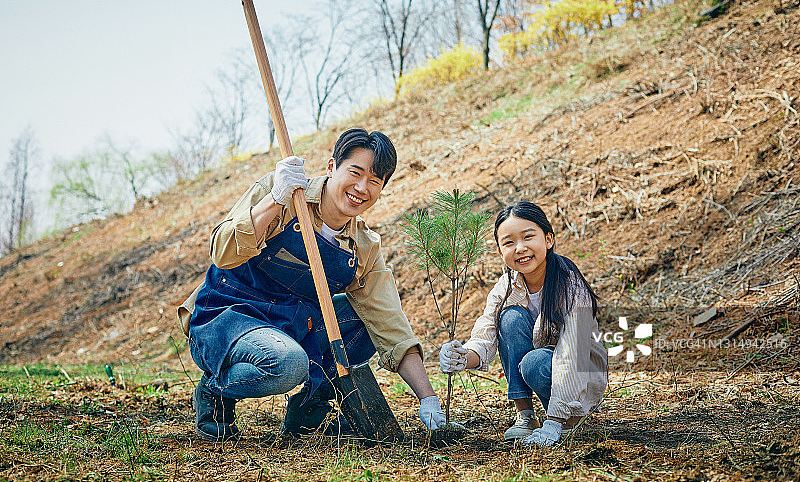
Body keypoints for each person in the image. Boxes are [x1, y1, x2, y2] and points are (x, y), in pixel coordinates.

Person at [178, 128, 447, 441]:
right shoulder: (284, 191)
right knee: (287, 364)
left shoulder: (362, 247)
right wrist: (275, 200)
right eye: (355, 173)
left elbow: (390, 324)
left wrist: (427, 398)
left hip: (292, 324)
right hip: (228, 317)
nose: (361, 188)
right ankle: (215, 391)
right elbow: (222, 252)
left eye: (374, 181)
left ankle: (309, 411)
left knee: (367, 322)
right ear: (332, 167)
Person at [439, 201, 608, 446]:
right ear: (499, 251)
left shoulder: (570, 286)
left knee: (534, 362)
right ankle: (526, 417)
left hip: (580, 376)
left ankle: (570, 420)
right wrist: (462, 357)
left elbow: (573, 355)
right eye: (508, 242)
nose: (520, 248)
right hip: (545, 368)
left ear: (548, 239)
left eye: (528, 237)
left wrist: (554, 422)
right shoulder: (506, 287)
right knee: (509, 318)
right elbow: (484, 337)